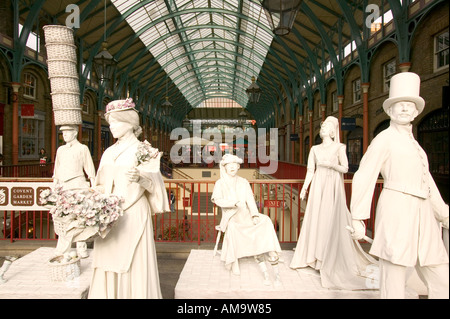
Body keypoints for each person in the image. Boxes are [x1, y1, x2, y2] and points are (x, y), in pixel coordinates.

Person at [350, 72, 449, 299]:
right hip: (397, 207)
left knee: (440, 272)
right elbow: (364, 175)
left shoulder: (417, 147)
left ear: (415, 112)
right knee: (393, 273)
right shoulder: (384, 139)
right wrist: (357, 217)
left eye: (409, 105)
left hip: (424, 212)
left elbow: (428, 183)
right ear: (390, 111)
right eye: (399, 105)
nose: (404, 109)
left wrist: (443, 213)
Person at [88, 98, 169, 299]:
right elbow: (100, 182)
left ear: (129, 123)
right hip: (109, 216)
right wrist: (91, 196)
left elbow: (156, 183)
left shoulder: (145, 151)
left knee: (132, 259)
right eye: (110, 123)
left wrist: (142, 178)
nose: (112, 127)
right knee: (107, 258)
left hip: (132, 213)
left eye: (115, 122)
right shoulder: (109, 152)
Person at [290, 116, 378, 290]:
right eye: (322, 126)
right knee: (316, 218)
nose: (323, 128)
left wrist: (330, 165)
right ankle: (314, 256)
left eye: (327, 126)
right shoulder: (314, 149)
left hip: (332, 185)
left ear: (332, 131)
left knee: (329, 218)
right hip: (318, 186)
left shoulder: (340, 147)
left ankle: (327, 257)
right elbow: (310, 170)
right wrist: (305, 188)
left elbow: (345, 168)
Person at [211, 154, 282, 285]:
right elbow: (218, 200)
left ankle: (270, 249)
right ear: (224, 167)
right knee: (233, 227)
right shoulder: (220, 183)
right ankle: (234, 260)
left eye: (235, 165)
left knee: (265, 220)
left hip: (246, 213)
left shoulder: (243, 182)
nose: (232, 167)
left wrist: (254, 215)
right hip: (231, 216)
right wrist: (233, 202)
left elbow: (250, 199)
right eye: (229, 165)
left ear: (238, 167)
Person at [53, 125, 96, 258]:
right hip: (64, 186)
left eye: (67, 132)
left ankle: (81, 247)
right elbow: (57, 168)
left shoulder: (82, 148)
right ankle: (63, 248)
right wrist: (56, 183)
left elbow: (89, 167)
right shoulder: (61, 150)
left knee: (80, 217)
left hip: (78, 184)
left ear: (75, 133)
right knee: (63, 217)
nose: (64, 134)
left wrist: (93, 185)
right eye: (63, 132)